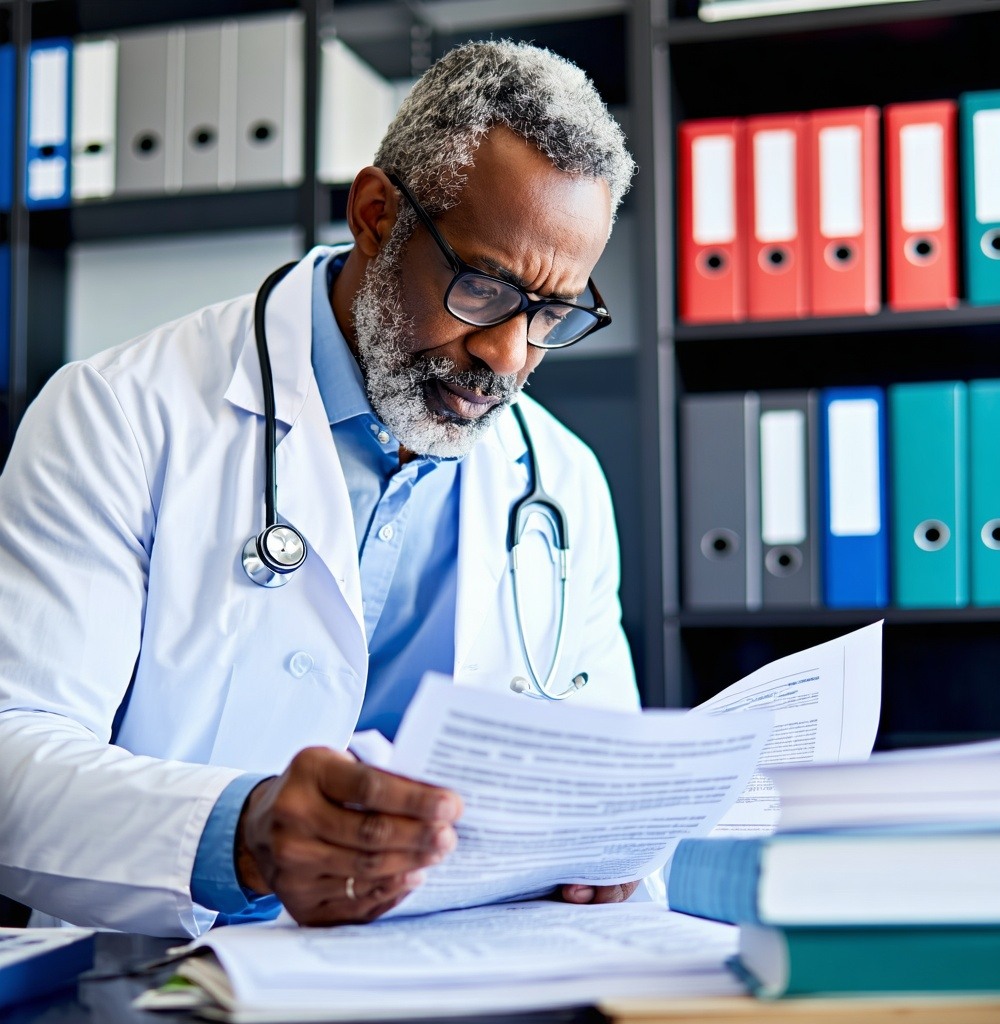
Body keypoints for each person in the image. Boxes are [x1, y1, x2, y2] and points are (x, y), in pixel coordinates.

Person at [0, 39, 640, 937]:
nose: (508, 355)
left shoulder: (560, 477)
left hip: (455, 971)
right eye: (485, 289)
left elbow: (600, 758)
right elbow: (14, 758)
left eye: (552, 313)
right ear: (378, 215)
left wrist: (602, 853)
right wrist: (244, 834)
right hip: (165, 972)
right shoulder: (116, 415)